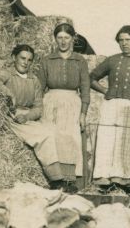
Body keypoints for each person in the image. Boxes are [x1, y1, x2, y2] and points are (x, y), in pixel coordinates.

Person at [0, 44, 71, 187]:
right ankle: (56, 180)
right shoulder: (8, 73)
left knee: (55, 131)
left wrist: (27, 117)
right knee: (44, 136)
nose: (25, 62)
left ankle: (66, 176)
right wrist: (8, 93)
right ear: (14, 58)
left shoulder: (34, 80)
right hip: (10, 115)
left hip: (27, 117)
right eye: (22, 58)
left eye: (29, 60)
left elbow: (38, 107)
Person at [89, 25, 130, 189]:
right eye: (121, 40)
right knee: (108, 141)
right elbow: (91, 78)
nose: (124, 43)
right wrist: (105, 90)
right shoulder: (112, 60)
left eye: (128, 40)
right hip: (111, 109)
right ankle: (106, 179)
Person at [35, 23, 92, 189]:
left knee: (72, 139)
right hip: (51, 102)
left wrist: (83, 113)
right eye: (59, 38)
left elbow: (85, 88)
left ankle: (71, 180)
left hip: (73, 103)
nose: (63, 41)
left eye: (66, 37)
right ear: (55, 39)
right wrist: (39, 109)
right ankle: (55, 179)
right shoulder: (47, 60)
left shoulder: (80, 60)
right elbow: (39, 87)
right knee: (53, 138)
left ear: (73, 39)